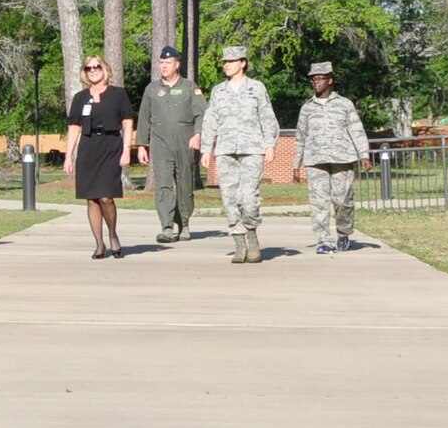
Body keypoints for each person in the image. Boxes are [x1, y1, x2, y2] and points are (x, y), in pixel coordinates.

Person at [200, 44, 280, 264]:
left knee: (249, 197)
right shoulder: (218, 91)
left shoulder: (257, 88)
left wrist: (270, 144)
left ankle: (252, 238)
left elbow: (267, 116)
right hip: (226, 150)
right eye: (225, 62)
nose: (226, 65)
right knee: (230, 198)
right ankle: (238, 242)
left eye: (231, 61)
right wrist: (207, 148)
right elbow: (211, 119)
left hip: (252, 149)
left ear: (242, 63)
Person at [294, 61, 371, 255]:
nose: (316, 82)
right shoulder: (307, 108)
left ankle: (344, 232)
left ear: (330, 80)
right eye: (313, 79)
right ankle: (324, 240)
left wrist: (364, 154)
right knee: (318, 202)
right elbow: (300, 136)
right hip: (315, 160)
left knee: (343, 200)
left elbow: (356, 130)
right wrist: (296, 164)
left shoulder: (344, 104)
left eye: (320, 79)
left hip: (342, 159)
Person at [65, 55, 135, 258]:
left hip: (111, 145)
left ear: (105, 68)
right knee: (92, 199)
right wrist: (69, 156)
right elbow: (74, 127)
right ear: (85, 72)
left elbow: (128, 123)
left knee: (106, 197)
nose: (93, 70)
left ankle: (113, 234)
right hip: (88, 148)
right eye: (89, 68)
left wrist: (126, 149)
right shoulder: (80, 97)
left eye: (97, 66)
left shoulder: (118, 94)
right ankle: (99, 244)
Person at [136, 45, 205, 244]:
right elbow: (144, 118)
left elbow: (202, 113)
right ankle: (166, 226)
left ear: (177, 64)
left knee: (185, 184)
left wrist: (198, 134)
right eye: (161, 63)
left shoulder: (190, 87)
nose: (163, 66)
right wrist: (141, 144)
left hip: (185, 141)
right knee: (164, 184)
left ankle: (184, 222)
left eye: (167, 63)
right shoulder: (152, 89)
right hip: (160, 143)